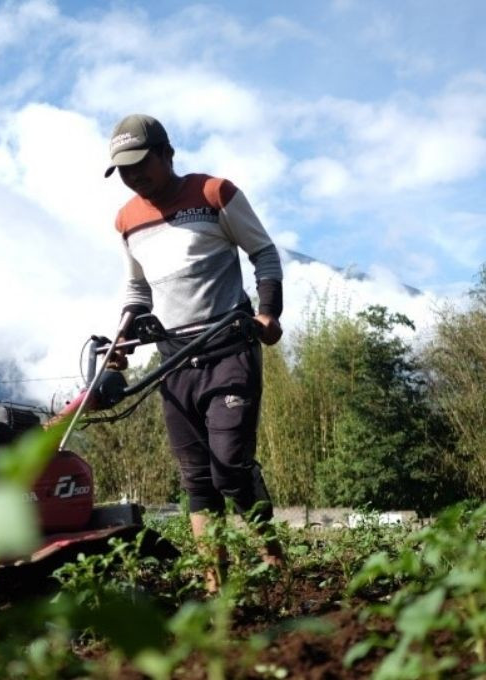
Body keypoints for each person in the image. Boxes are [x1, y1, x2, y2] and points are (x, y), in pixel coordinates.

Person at [103, 113, 285, 589]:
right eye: (123, 169)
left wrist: (269, 312)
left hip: (228, 344)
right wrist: (122, 336)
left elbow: (263, 252)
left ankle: (273, 557)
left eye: (141, 163)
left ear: (167, 155)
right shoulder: (126, 220)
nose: (133, 176)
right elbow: (137, 288)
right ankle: (213, 584)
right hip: (174, 359)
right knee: (197, 479)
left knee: (229, 466)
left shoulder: (214, 194)